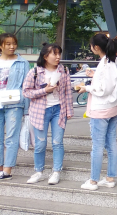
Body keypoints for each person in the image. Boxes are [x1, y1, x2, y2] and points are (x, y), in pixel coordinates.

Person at [76, 33, 117, 190]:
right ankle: (110, 178)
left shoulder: (106, 64)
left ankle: (93, 181)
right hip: (114, 107)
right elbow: (112, 83)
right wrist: (95, 75)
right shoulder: (115, 61)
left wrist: (87, 88)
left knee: (97, 146)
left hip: (101, 109)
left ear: (96, 47)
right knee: (111, 143)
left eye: (91, 45)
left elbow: (103, 89)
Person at [22, 43, 73, 185]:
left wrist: (69, 110)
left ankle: (56, 172)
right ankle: (38, 171)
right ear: (45, 56)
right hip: (40, 111)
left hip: (59, 109)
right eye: (54, 54)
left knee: (57, 142)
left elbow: (68, 92)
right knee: (40, 143)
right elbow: (26, 92)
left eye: (59, 54)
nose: (58, 57)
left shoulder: (64, 70)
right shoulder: (35, 72)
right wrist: (45, 90)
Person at [0, 33, 30, 180]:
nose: (12, 47)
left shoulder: (22, 63)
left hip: (15, 103)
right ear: (1, 46)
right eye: (8, 44)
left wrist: (27, 109)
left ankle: (7, 170)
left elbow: (27, 86)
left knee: (11, 137)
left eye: (14, 43)